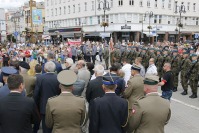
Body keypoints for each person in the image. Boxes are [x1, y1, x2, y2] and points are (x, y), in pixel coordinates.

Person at [34, 61, 61, 133]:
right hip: (57, 105)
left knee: (46, 128)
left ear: (45, 69)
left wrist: (36, 106)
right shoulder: (58, 77)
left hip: (44, 106)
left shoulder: (40, 78)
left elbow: (36, 93)